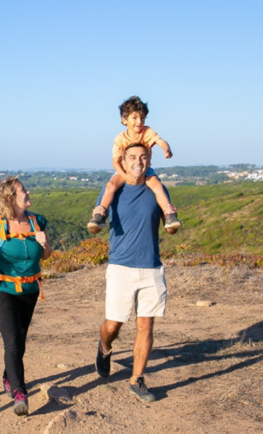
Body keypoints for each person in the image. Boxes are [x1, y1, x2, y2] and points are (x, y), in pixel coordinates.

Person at [92, 143, 179, 403]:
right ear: (123, 160)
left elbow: (170, 224)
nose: (138, 161)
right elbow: (98, 221)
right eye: (132, 157)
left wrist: (172, 221)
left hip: (151, 266)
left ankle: (137, 379)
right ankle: (105, 346)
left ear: (149, 159)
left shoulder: (157, 187)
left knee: (146, 325)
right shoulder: (114, 190)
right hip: (121, 267)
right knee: (113, 325)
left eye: (143, 157)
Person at [0, 176, 53, 416]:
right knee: (13, 341)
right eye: (23, 190)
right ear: (10, 199)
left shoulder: (38, 222)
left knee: (20, 340)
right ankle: (19, 393)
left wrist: (46, 245)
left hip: (30, 291)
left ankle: (8, 375)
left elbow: (45, 256)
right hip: (2, 291)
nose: (28, 191)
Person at [87, 95, 182, 234]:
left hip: (145, 169)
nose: (139, 122)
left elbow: (160, 141)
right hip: (124, 170)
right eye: (134, 118)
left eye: (142, 118)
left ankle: (169, 214)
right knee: (111, 186)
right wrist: (125, 177)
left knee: (156, 185)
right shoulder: (120, 138)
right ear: (124, 120)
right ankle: (100, 214)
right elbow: (116, 162)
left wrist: (166, 148)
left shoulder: (147, 132)